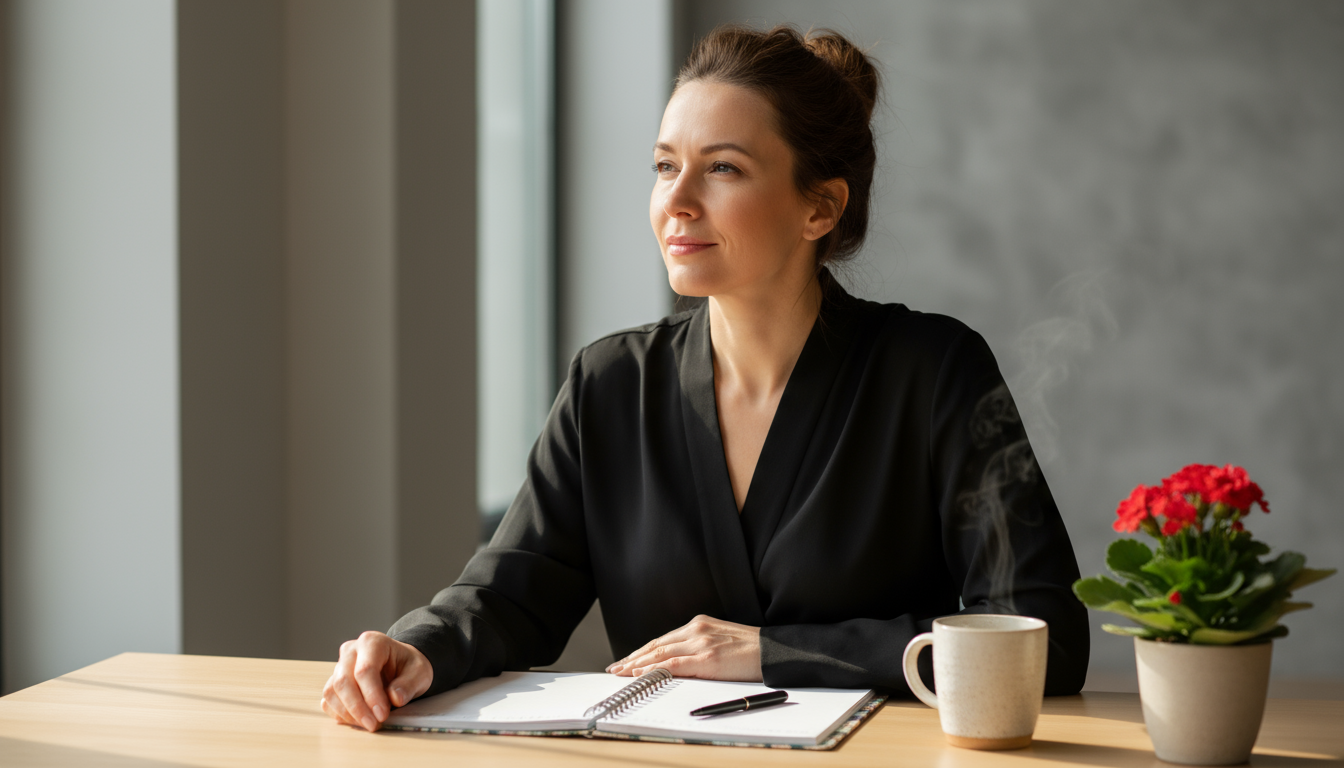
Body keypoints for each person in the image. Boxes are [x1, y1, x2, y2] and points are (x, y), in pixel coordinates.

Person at [321, 24, 1090, 733]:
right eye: (665, 166)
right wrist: (417, 647)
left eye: (722, 168)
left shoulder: (933, 371)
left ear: (819, 208)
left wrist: (772, 651)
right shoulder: (611, 383)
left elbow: (1043, 639)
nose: (675, 202)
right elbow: (511, 592)